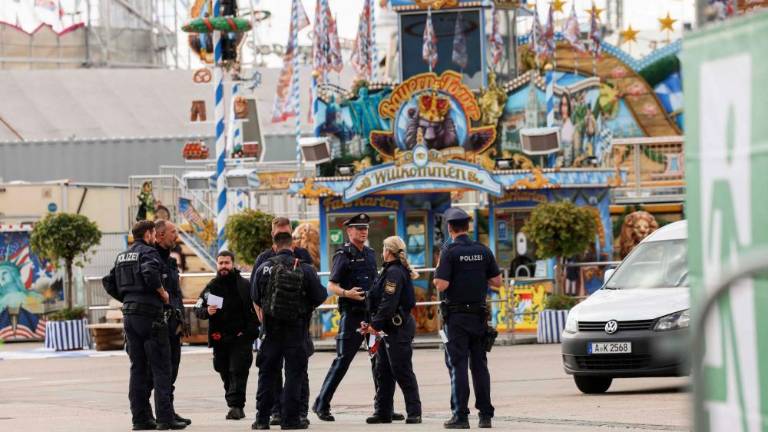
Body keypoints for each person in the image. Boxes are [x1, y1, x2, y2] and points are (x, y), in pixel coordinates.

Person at [102, 220, 186, 430]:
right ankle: (165, 420)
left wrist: (128, 298)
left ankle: (140, 419)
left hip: (130, 316)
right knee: (161, 370)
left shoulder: (123, 255)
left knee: (138, 370)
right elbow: (149, 273)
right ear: (150, 234)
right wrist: (162, 293)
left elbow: (108, 281)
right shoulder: (149, 253)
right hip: (151, 316)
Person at [251, 231, 328, 430]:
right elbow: (320, 296)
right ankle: (291, 420)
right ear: (292, 246)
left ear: (275, 247)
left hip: (271, 330)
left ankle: (262, 420)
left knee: (267, 374)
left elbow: (256, 296)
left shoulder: (264, 267)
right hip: (296, 330)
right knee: (295, 375)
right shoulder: (305, 268)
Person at [433, 208, 502, 430]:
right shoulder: (483, 250)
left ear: (450, 228)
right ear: (468, 227)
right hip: (479, 316)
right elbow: (497, 281)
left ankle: (460, 416)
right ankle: (485, 415)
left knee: (459, 366)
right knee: (480, 365)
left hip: (457, 317)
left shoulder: (449, 252)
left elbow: (441, 284)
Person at [312, 213, 380, 422]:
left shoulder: (370, 253)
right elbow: (331, 285)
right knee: (343, 361)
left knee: (379, 361)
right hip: (352, 316)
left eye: (365, 228)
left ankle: (383, 406)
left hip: (371, 316)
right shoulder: (343, 254)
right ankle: (321, 404)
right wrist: (347, 293)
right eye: (358, 228)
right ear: (349, 231)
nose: (363, 231)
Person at [362, 236, 422, 425]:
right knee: (383, 370)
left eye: (383, 249)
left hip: (398, 328)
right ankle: (383, 411)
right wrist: (372, 323)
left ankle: (414, 412)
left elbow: (389, 303)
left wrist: (375, 325)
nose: (382, 252)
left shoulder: (394, 273)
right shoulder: (388, 271)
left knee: (401, 369)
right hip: (387, 328)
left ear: (388, 251)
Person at [194, 251, 259, 421]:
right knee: (223, 370)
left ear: (233, 264)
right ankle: (234, 402)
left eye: (227, 263)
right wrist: (206, 311)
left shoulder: (245, 285)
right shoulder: (211, 287)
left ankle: (236, 406)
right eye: (221, 263)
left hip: (241, 337)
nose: (224, 266)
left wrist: (249, 331)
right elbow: (198, 308)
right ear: (217, 265)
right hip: (219, 338)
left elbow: (256, 311)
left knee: (237, 370)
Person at [154, 220, 191, 426]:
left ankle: (169, 410)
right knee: (162, 371)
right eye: (172, 232)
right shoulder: (152, 259)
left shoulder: (169, 261)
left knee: (172, 370)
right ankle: (162, 415)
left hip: (174, 323)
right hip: (160, 323)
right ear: (159, 235)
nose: (176, 236)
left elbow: (175, 293)